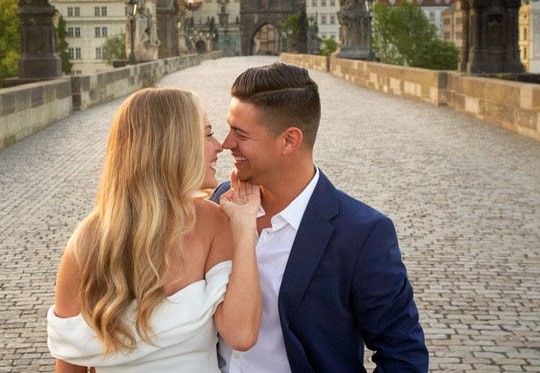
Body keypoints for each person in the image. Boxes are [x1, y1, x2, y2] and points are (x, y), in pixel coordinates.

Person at [211, 62, 428, 372]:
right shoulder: (220, 200)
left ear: (289, 140)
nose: (226, 143)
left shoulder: (362, 234)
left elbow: (403, 354)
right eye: (229, 127)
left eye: (241, 134)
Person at [47, 88, 262, 372]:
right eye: (207, 134)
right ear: (175, 146)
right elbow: (69, 363)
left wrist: (244, 227)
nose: (219, 145)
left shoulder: (213, 223)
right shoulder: (86, 244)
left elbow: (242, 334)